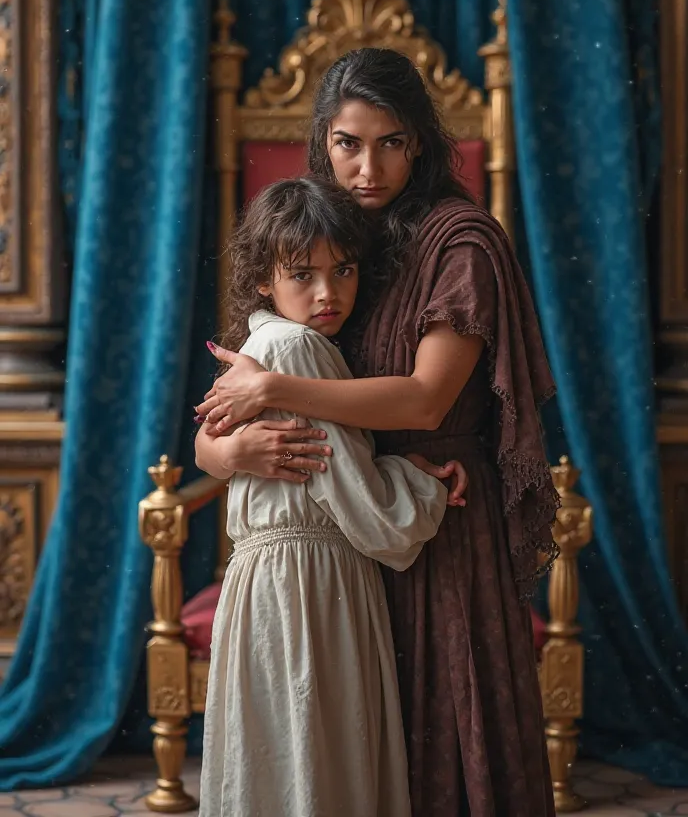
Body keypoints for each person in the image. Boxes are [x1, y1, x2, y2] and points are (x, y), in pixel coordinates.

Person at [195, 48, 558, 817]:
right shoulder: (328, 245)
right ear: (323, 143)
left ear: (420, 141)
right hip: (348, 535)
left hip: (436, 532)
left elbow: (427, 402)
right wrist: (232, 450)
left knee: (443, 746)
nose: (368, 167)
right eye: (348, 144)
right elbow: (224, 419)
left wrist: (274, 390)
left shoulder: (460, 241)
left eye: (390, 142)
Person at [196, 175, 456, 817]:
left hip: (267, 580)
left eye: (342, 270)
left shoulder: (265, 347)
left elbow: (321, 471)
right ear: (263, 276)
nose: (327, 293)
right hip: (311, 585)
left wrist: (224, 455)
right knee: (318, 763)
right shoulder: (298, 350)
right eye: (302, 274)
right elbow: (375, 517)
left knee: (279, 765)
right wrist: (422, 480)